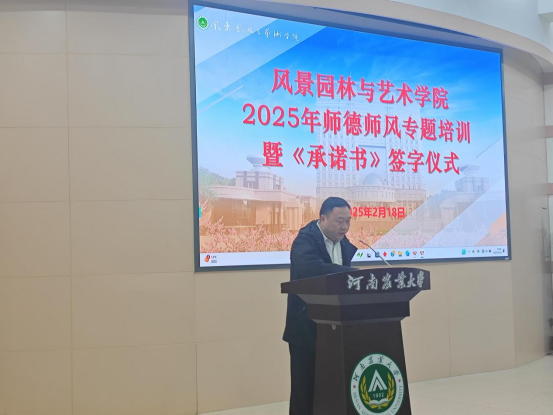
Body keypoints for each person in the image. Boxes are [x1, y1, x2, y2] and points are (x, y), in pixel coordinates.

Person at [283, 197, 358, 415]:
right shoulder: (304, 241)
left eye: (348, 221)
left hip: (336, 329)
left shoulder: (344, 245)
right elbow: (311, 270)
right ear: (322, 218)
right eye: (339, 221)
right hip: (306, 328)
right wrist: (350, 273)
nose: (345, 226)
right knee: (304, 391)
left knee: (332, 388)